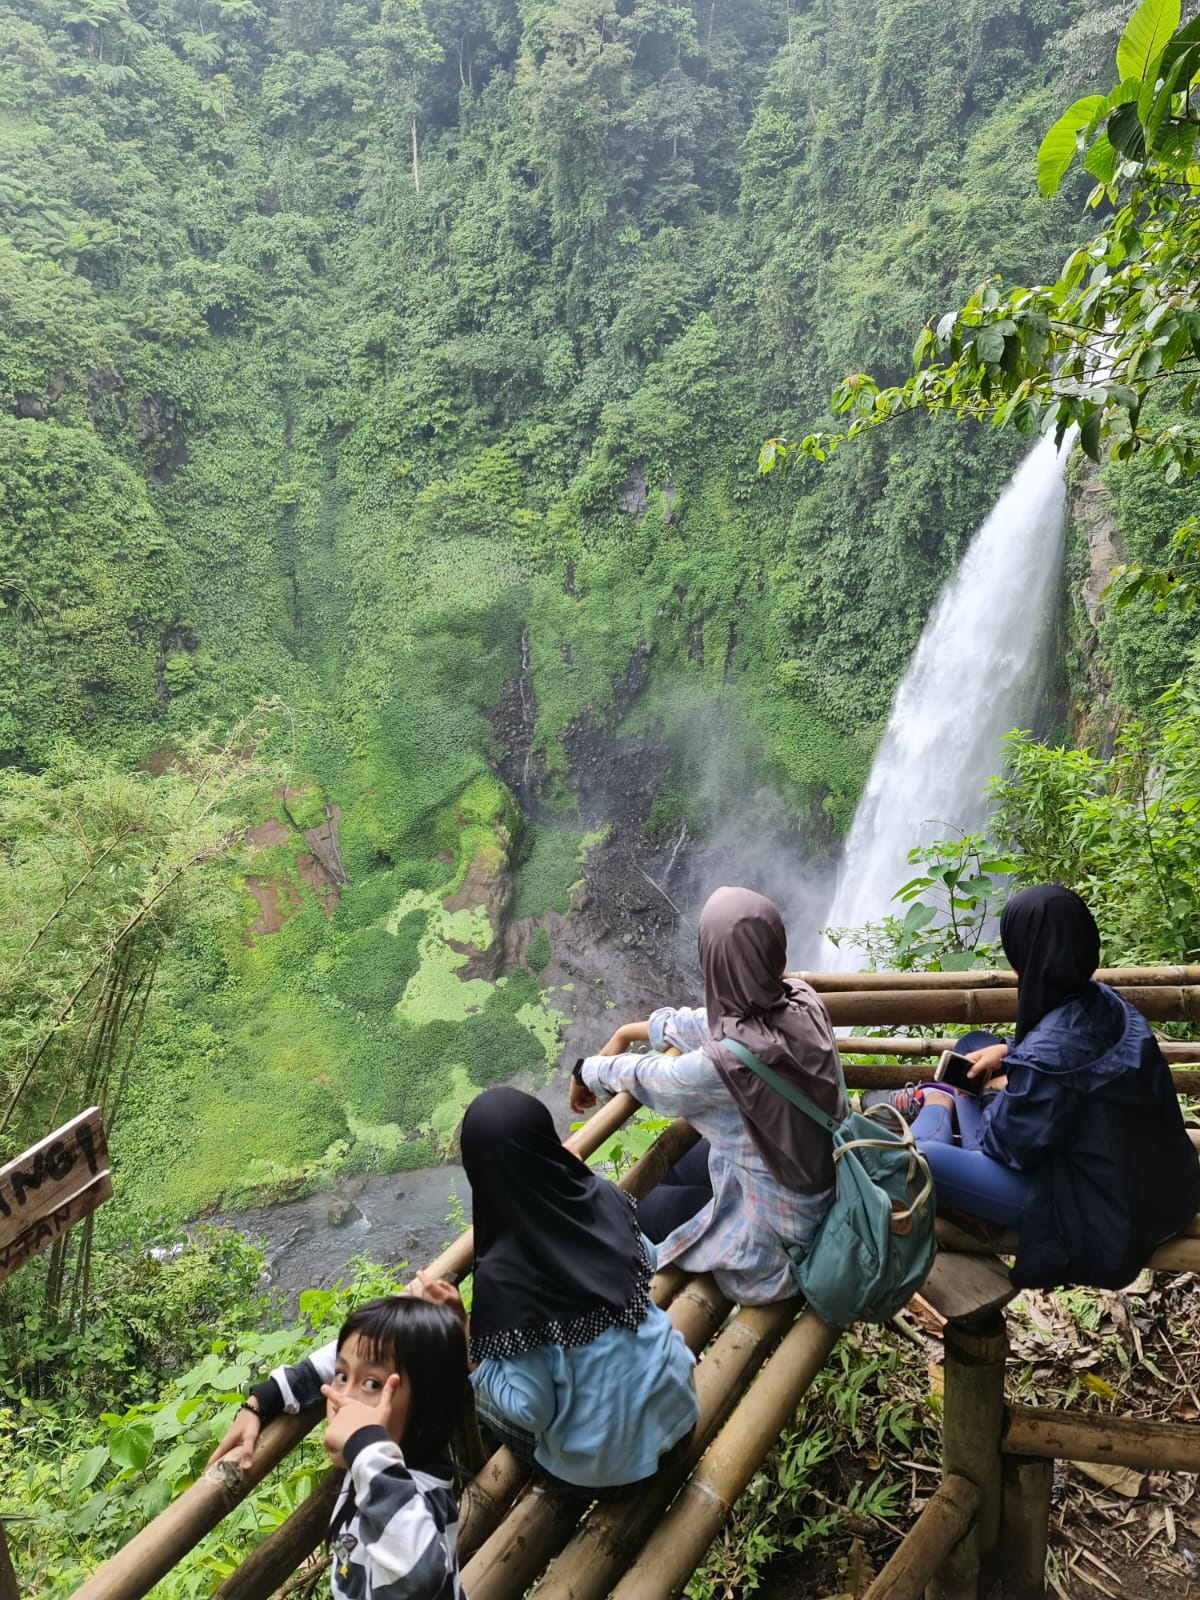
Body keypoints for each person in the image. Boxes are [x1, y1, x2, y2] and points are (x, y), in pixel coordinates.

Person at [910, 883, 1199, 1289]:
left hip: (1092, 1204)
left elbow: (1009, 1145)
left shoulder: (1048, 1058)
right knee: (975, 1046)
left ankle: (936, 1101)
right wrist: (1008, 1054)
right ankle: (953, 1107)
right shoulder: (1104, 1000)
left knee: (918, 1160)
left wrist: (1002, 1087)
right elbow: (1078, 1056)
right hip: (1142, 1174)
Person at [570, 885, 845, 1306]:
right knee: (678, 1171)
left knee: (640, 1206)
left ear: (713, 963)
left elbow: (660, 1077)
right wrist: (629, 1030)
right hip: (817, 1183)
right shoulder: (802, 1001)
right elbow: (714, 1024)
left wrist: (586, 1070)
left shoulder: (724, 1067)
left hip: (785, 1238)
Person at [434, 1084, 698, 1491]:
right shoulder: (601, 1196)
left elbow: (531, 1410)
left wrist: (465, 1336)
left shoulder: (505, 1271)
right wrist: (579, 1182)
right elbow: (648, 1256)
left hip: (618, 1473)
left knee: (480, 1385)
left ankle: (490, 1489)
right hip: (680, 1410)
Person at [209, 1295, 468, 1600]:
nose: (339, 1398)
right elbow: (348, 1357)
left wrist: (366, 1445)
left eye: (372, 1384)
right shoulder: (374, 1459)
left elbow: (419, 1573)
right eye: (342, 1376)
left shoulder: (420, 1497)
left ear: (428, 1404)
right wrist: (262, 1401)